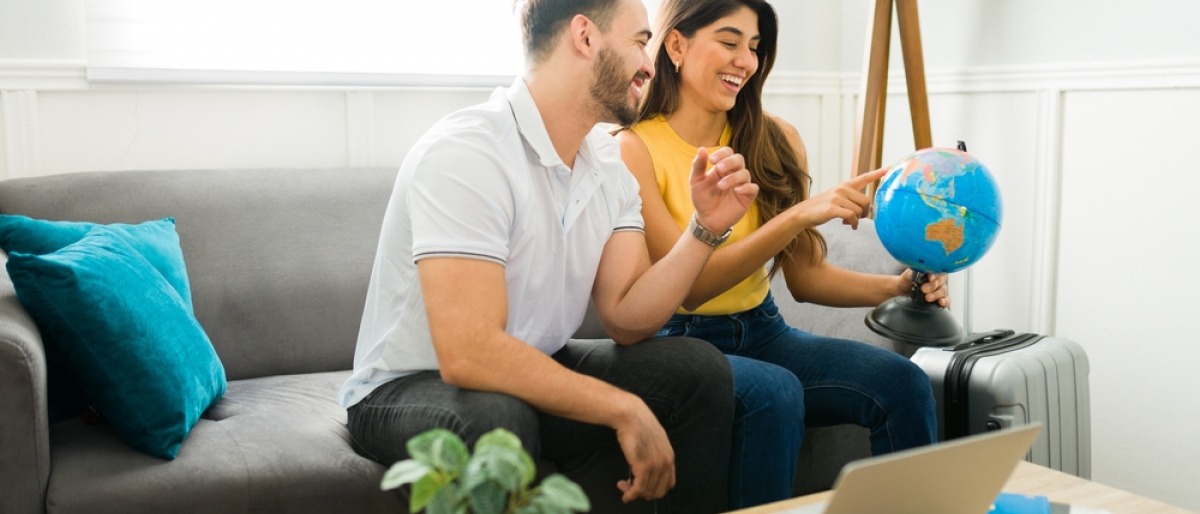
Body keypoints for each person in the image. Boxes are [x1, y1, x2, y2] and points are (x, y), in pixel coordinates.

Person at [338, 0, 760, 512]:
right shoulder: (468, 153)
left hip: (530, 369)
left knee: (697, 370)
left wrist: (704, 230)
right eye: (640, 43)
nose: (650, 66)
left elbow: (627, 316)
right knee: (496, 422)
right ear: (585, 37)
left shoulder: (608, 163)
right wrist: (622, 408)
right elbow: (468, 352)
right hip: (405, 386)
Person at [616, 0, 945, 508]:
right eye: (728, 43)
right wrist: (797, 216)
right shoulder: (635, 148)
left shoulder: (776, 139)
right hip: (682, 343)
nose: (744, 62)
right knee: (775, 393)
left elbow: (807, 278)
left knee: (902, 383)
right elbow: (693, 290)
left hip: (765, 330)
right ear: (676, 45)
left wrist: (901, 287)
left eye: (753, 48)